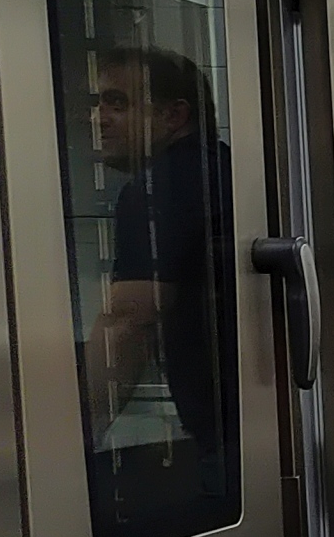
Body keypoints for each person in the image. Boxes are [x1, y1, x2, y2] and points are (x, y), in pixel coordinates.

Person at [84, 44, 237, 496]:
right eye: (97, 104)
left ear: (174, 115)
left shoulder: (159, 187)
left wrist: (75, 431)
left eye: (117, 103)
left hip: (227, 439)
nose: (98, 119)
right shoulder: (227, 171)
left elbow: (130, 320)